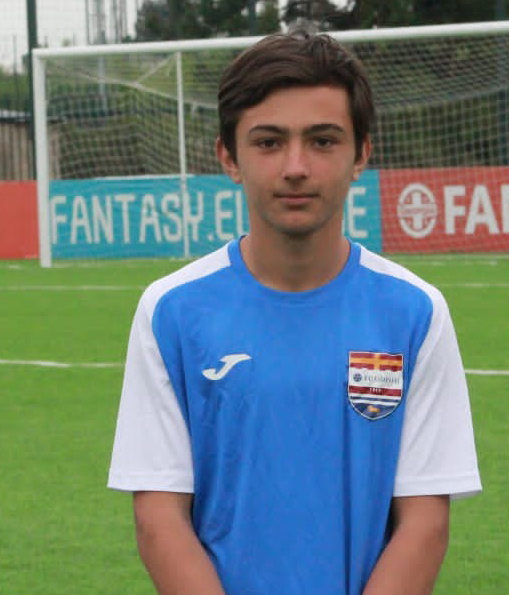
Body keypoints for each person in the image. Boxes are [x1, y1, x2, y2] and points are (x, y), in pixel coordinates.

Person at [108, 30, 482, 595]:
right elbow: (159, 518)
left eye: (323, 140)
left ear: (361, 154)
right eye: (268, 142)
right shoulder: (170, 311)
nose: (296, 166)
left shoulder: (415, 312)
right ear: (228, 157)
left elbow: (424, 524)